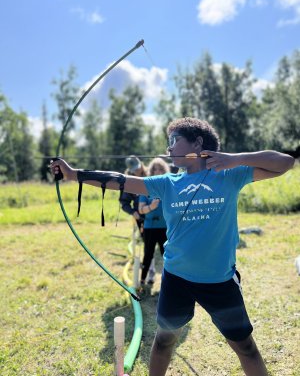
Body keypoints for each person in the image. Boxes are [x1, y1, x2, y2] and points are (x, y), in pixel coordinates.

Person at [50, 117, 294, 376]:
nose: (168, 149)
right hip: (176, 279)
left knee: (245, 348)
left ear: (198, 142)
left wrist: (235, 158)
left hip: (219, 281)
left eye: (174, 141)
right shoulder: (167, 183)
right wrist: (74, 174)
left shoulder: (230, 175)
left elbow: (285, 163)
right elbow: (120, 180)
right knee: (164, 341)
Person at [138, 158, 170, 286]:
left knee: (167, 256)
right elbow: (141, 210)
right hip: (150, 227)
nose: (158, 171)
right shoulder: (146, 187)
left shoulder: (169, 187)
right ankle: (142, 282)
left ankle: (169, 283)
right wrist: (151, 207)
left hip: (166, 228)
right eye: (155, 169)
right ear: (151, 171)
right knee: (148, 255)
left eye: (161, 169)